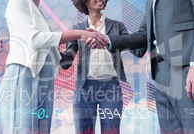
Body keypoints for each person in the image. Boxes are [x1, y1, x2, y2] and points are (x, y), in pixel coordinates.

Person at [86, 0, 194, 133]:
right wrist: (108, 41)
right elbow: (144, 35)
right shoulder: (150, 2)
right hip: (160, 72)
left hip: (187, 66)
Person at [0, 0, 110, 133]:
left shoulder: (38, 11)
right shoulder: (18, 2)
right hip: (25, 74)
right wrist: (79, 34)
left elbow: (50, 49)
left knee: (40, 129)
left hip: (44, 81)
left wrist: (74, 49)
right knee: (23, 127)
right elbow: (35, 39)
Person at [60, 0, 146, 133]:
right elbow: (66, 61)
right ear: (84, 1)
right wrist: (51, 47)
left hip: (111, 90)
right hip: (84, 90)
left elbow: (138, 51)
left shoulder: (118, 26)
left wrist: (149, 23)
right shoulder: (77, 29)